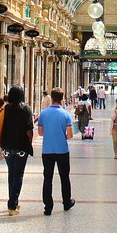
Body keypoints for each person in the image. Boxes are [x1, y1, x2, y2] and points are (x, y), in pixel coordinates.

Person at [36, 88, 75, 216]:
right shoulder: (66, 114)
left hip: (47, 150)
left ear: (51, 98)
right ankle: (66, 202)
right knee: (64, 177)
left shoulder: (43, 113)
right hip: (62, 150)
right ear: (62, 99)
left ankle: (48, 207)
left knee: (47, 178)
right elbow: (70, 135)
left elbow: (40, 132)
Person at [0, 85, 33, 216]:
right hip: (21, 147)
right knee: (18, 175)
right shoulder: (26, 109)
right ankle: (12, 204)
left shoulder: (5, 109)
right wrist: (29, 144)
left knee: (11, 173)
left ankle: (13, 200)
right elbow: (29, 129)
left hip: (7, 146)